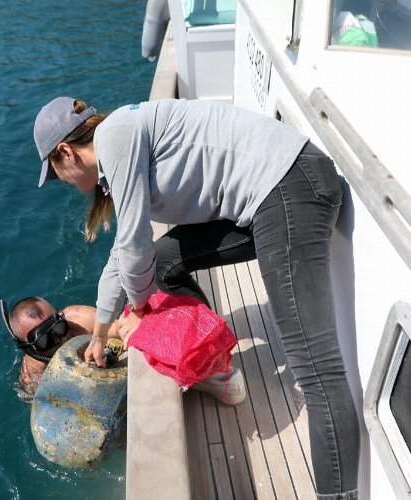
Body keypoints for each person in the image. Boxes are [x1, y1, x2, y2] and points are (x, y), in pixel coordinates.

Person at [32, 97, 358, 499]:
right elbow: (124, 252)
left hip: (290, 188)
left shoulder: (114, 136)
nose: (62, 181)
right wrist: (100, 333)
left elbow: (135, 246)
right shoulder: (118, 140)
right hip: (271, 199)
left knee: (316, 368)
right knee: (167, 260)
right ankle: (214, 364)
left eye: (55, 172)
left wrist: (137, 311)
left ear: (65, 151)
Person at [1, 296, 245, 403]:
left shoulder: (78, 319)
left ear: (61, 316)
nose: (61, 339)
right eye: (46, 341)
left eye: (59, 326)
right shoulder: (34, 373)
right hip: (87, 393)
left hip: (112, 367)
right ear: (30, 349)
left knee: (150, 321)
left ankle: (208, 373)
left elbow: (122, 328)